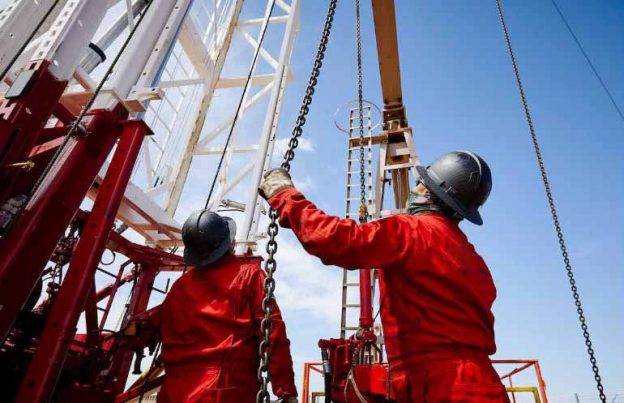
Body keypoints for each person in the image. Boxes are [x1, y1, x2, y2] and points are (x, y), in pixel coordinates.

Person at [259, 151, 510, 403]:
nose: (416, 188)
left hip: (435, 386)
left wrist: (285, 196)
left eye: (421, 184)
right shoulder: (475, 260)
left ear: (429, 193)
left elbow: (337, 240)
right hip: (486, 385)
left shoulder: (410, 231)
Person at [155, 210, 298, 403]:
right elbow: (272, 335)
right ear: (228, 243)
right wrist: (286, 390)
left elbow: (161, 329)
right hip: (224, 393)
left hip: (172, 394)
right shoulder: (249, 277)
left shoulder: (178, 288)